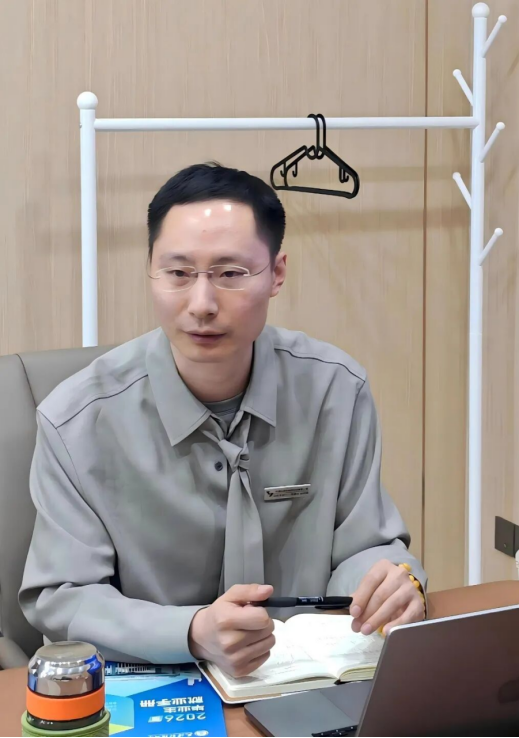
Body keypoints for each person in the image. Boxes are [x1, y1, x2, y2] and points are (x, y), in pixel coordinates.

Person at [20, 163, 426, 676]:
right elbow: (63, 595)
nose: (202, 304)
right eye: (178, 273)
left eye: (231, 274)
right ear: (150, 271)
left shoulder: (335, 391)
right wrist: (189, 632)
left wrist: (391, 583)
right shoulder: (76, 422)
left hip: (303, 679)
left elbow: (364, 544)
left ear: (276, 273)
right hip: (157, 678)